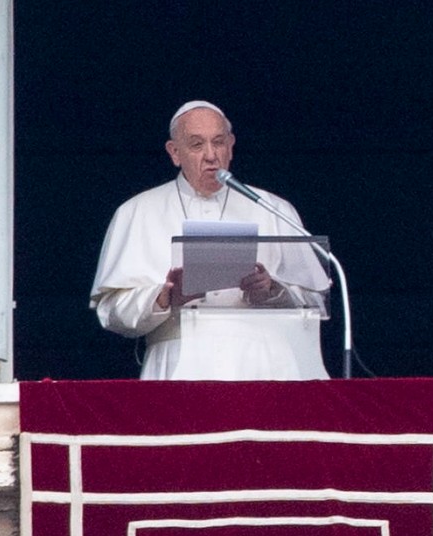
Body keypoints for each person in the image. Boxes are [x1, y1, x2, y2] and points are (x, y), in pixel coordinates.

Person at [90, 100, 330, 380]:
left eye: (218, 142)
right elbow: (110, 311)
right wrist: (165, 296)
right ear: (174, 153)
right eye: (196, 145)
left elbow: (316, 300)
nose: (211, 155)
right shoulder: (137, 212)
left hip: (265, 365)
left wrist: (273, 291)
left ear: (231, 145)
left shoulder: (274, 208)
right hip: (178, 363)